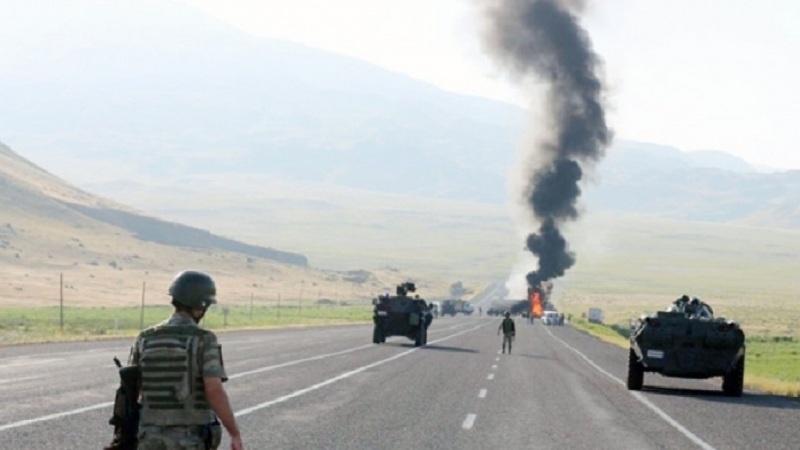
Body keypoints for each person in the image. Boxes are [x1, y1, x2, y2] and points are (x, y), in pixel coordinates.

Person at [130, 270, 244, 450]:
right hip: (189, 438)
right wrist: (234, 433)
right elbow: (214, 390)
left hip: (148, 436)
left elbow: (131, 389)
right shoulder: (203, 339)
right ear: (200, 306)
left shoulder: (145, 337)